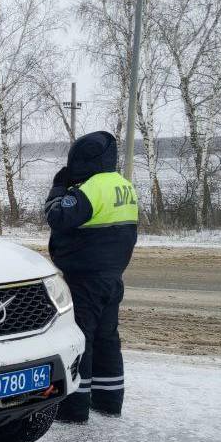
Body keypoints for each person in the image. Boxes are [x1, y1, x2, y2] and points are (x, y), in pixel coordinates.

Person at [44, 131, 138, 422]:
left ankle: (74, 408)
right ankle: (109, 401)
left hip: (84, 278)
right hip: (112, 276)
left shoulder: (92, 188)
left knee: (80, 338)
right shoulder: (124, 186)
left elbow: (58, 217)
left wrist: (58, 190)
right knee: (107, 338)